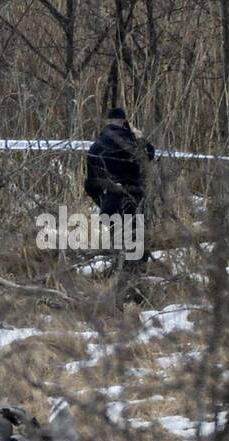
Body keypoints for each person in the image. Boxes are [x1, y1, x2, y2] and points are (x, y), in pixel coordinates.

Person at [84, 107, 156, 302]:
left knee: (120, 248)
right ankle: (134, 297)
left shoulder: (96, 146)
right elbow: (150, 155)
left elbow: (90, 184)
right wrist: (139, 137)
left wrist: (103, 202)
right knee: (136, 249)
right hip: (133, 201)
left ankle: (119, 296)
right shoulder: (133, 143)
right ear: (125, 122)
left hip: (110, 202)